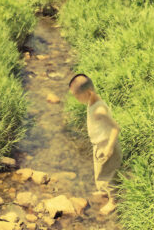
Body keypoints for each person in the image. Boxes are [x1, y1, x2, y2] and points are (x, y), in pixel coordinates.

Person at [68, 74, 121, 215]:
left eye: (77, 96)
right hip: (98, 145)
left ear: (88, 92)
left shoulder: (99, 110)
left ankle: (114, 201)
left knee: (107, 176)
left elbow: (116, 128)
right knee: (99, 174)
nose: (76, 99)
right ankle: (105, 192)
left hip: (106, 146)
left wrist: (109, 148)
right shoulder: (91, 102)